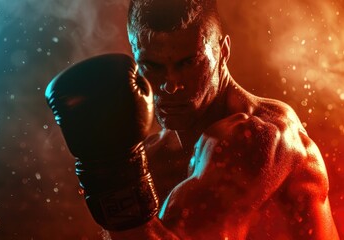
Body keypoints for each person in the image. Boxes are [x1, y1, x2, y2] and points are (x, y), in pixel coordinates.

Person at [46, 0, 339, 239]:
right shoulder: (150, 158)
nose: (171, 84)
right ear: (135, 60)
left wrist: (112, 176)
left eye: (188, 63)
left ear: (223, 52)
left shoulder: (260, 137)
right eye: (153, 66)